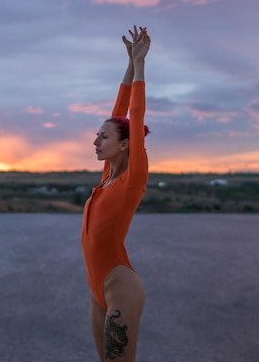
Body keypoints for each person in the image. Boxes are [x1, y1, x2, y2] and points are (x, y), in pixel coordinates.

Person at [81, 25, 151, 362]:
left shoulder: (131, 179)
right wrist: (127, 63)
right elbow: (120, 109)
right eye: (96, 136)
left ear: (125, 144)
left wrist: (140, 64)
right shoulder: (108, 176)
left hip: (119, 287)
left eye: (103, 137)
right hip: (97, 290)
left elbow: (133, 115)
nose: (95, 141)